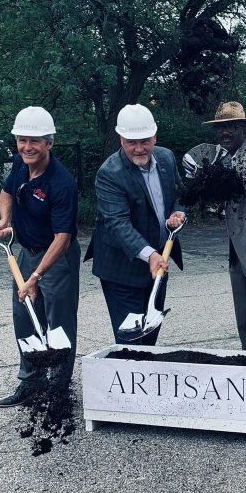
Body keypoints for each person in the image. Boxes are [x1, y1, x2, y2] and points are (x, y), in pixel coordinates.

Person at [0, 107, 80, 407]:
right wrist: (5, 220)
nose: (27, 147)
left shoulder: (62, 183)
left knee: (58, 323)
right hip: (26, 251)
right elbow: (5, 195)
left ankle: (58, 388)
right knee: (24, 317)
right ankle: (31, 382)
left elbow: (63, 238)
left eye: (35, 141)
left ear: (49, 143)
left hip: (57, 257)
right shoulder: (19, 163)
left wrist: (36, 277)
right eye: (22, 140)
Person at [184, 101, 246, 352]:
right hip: (236, 246)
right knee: (243, 314)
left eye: (231, 126)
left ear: (243, 127)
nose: (224, 133)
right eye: (220, 128)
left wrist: (216, 176)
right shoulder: (218, 154)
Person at [85, 104, 186, 346]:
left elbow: (182, 194)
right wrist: (151, 255)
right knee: (130, 340)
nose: (139, 148)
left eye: (145, 141)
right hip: (121, 268)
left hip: (159, 263)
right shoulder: (110, 173)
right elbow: (117, 224)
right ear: (121, 139)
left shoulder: (166, 158)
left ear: (155, 137)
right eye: (132, 142)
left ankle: (146, 378)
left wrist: (179, 212)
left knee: (150, 335)